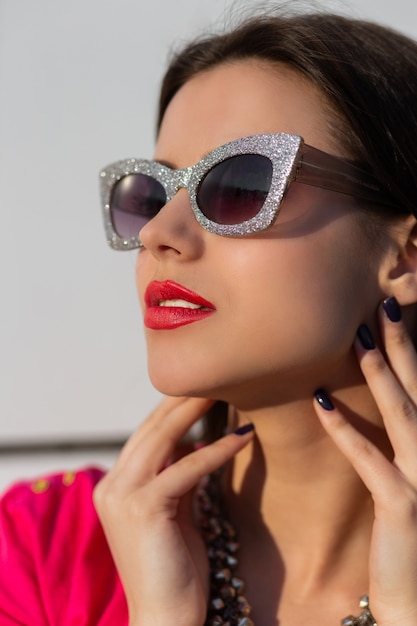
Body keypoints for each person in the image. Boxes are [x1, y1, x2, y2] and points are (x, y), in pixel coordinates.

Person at [2, 7, 417, 626]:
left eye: (240, 186)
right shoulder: (43, 550)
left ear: (405, 256)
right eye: (150, 195)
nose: (159, 234)